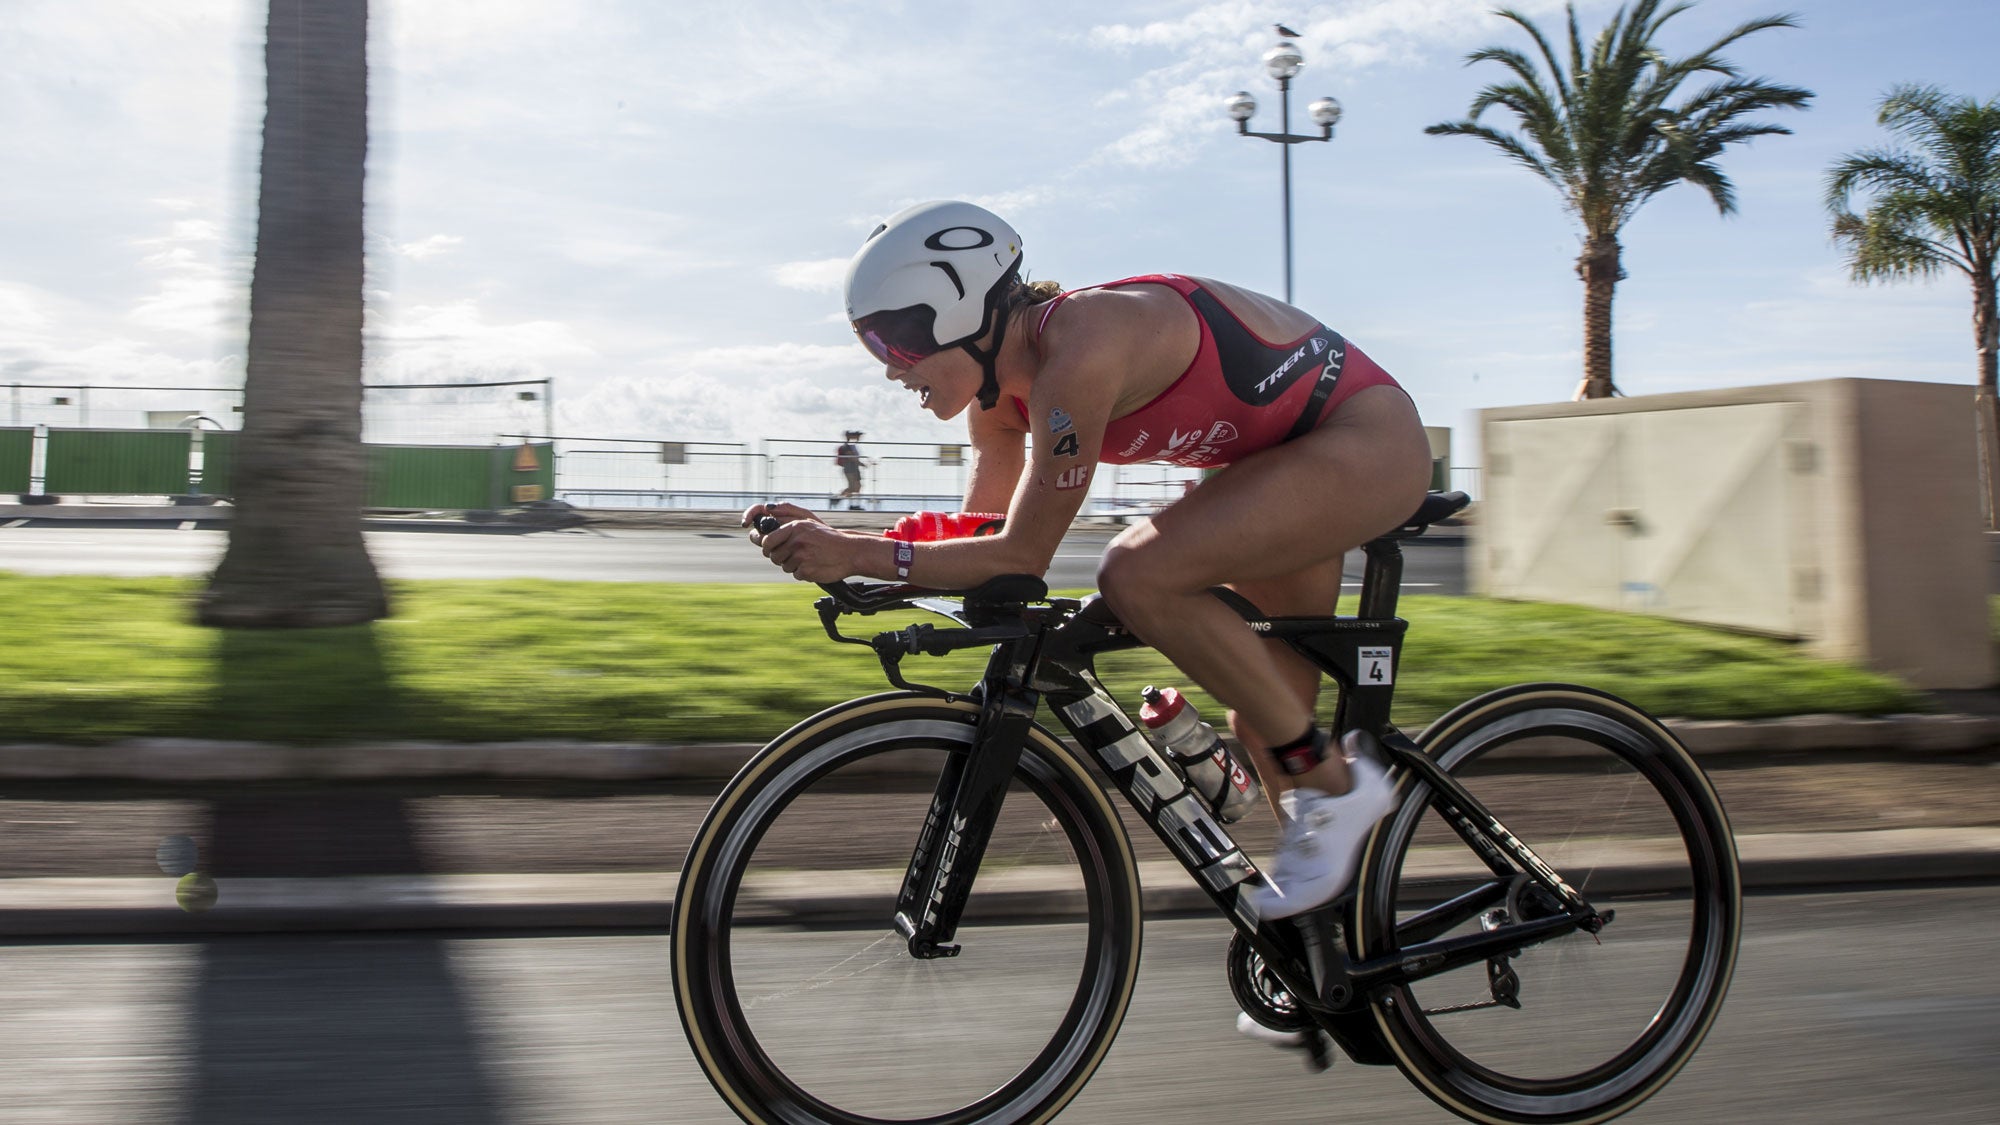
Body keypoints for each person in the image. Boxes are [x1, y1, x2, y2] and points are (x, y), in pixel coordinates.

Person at [746, 199, 1430, 936]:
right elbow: (981, 537)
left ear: (959, 312)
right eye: (872, 341)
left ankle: (1340, 785)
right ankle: (1332, 962)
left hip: (1364, 436)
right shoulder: (999, 400)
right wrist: (854, 549)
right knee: (1266, 716)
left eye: (894, 337)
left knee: (1135, 574)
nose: (889, 367)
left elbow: (1022, 556)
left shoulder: (1082, 351)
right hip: (1276, 462)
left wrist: (858, 552)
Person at [833, 431, 868, 510]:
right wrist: (861, 464)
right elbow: (852, 457)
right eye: (857, 436)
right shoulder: (847, 446)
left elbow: (854, 457)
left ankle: (853, 504)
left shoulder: (852, 445)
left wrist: (860, 464)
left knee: (857, 487)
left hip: (855, 468)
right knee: (852, 487)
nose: (859, 438)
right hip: (849, 468)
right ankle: (838, 498)